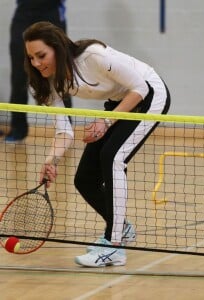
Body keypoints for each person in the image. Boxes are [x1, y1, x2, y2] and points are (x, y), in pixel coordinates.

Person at [23, 21, 171, 267]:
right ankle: (122, 228)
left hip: (149, 94)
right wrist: (52, 160)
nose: (37, 63)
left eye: (41, 55)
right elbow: (64, 131)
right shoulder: (47, 82)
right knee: (85, 178)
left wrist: (105, 121)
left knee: (113, 158)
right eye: (31, 58)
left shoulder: (93, 56)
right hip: (119, 101)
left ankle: (114, 247)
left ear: (58, 48)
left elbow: (140, 88)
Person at [4, 0, 71, 143]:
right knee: (18, 78)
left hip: (51, 13)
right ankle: (18, 129)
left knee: (61, 74)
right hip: (24, 14)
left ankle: (66, 129)